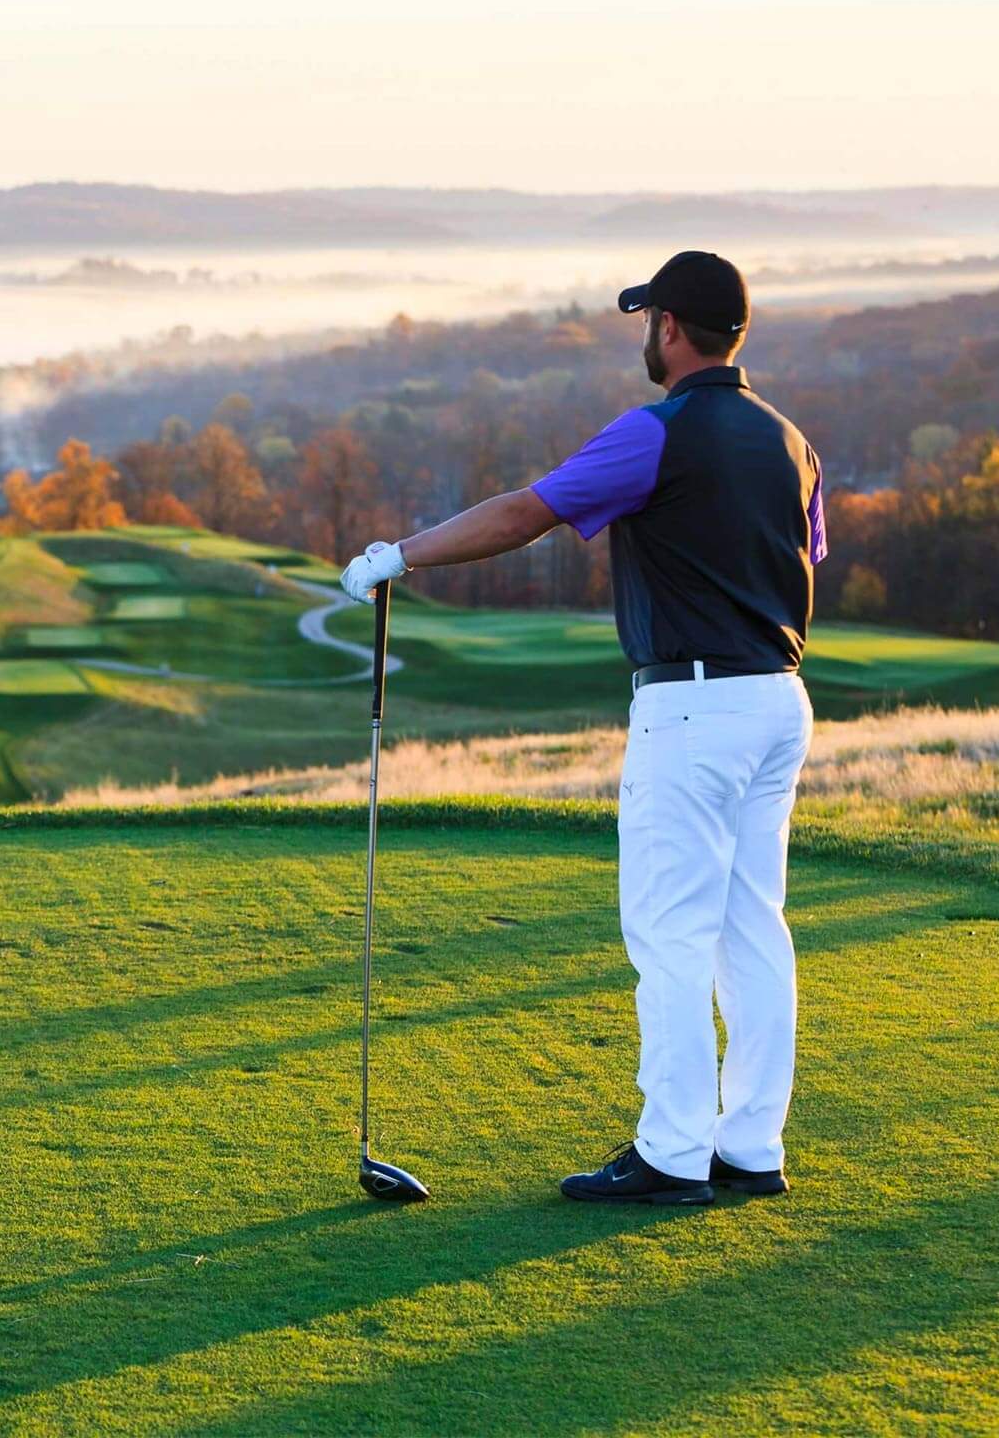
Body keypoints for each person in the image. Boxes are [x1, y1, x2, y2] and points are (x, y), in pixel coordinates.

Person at [340, 250, 826, 1206]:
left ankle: (674, 1153)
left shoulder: (657, 433)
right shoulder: (793, 442)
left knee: (673, 934)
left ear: (673, 329)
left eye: (650, 319)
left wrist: (401, 555)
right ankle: (750, 1146)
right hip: (778, 697)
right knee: (749, 929)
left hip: (691, 706)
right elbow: (800, 555)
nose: (646, 334)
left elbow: (528, 512)